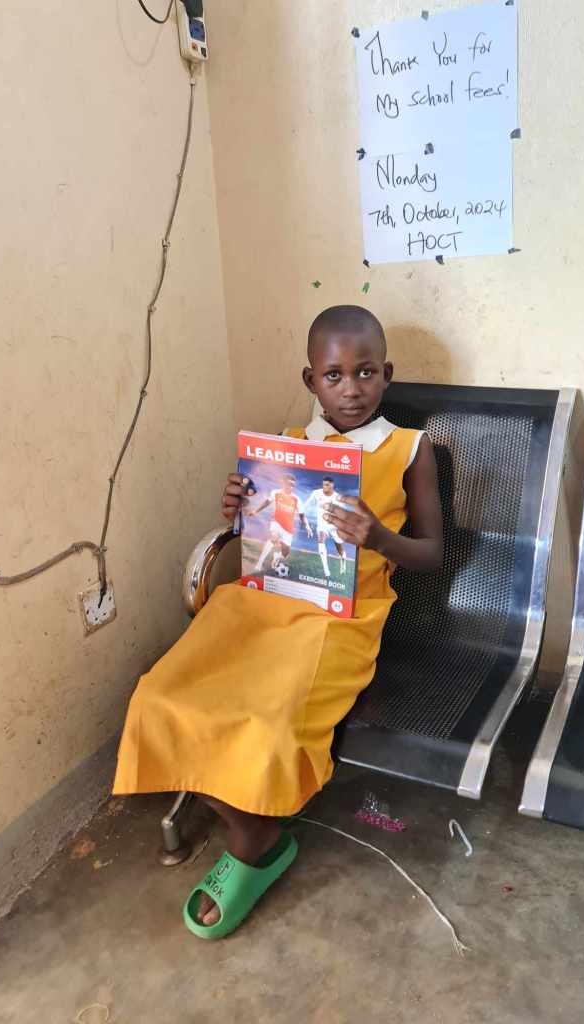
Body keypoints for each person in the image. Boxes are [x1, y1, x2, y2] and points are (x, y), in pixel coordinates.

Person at [112, 304, 444, 940]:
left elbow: (431, 554)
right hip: (261, 598)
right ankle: (256, 826)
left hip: (341, 615)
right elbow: (270, 536)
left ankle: (251, 840)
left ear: (387, 374)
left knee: (269, 721)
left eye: (366, 372)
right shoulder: (288, 445)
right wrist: (241, 510)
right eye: (334, 375)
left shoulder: (408, 448)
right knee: (159, 697)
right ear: (310, 380)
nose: (351, 389)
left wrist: (377, 537)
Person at [247, 473, 312, 575]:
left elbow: (302, 515)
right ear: (284, 483)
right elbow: (266, 502)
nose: (291, 487)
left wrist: (307, 526)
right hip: (276, 522)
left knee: (285, 553)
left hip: (288, 529)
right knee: (274, 537)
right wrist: (255, 511)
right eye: (289, 484)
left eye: (293, 485)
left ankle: (277, 556)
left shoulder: (297, 499)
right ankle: (259, 563)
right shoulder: (276, 493)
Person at [305, 476, 348, 577]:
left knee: (340, 548)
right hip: (322, 525)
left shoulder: (337, 498)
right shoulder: (316, 493)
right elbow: (307, 504)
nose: (325, 487)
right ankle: (326, 571)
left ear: (332, 485)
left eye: (327, 485)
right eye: (324, 484)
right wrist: (302, 511)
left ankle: (343, 560)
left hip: (334, 525)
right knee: (321, 540)